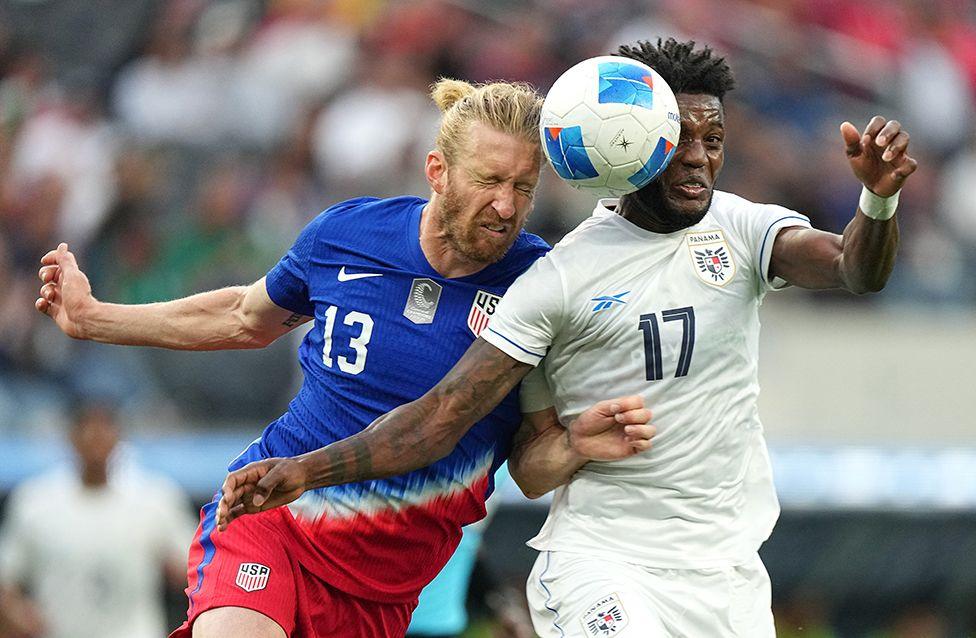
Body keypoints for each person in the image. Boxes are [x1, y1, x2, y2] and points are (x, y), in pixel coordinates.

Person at [216, 38, 918, 637]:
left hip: (725, 571)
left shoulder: (741, 229)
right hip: (605, 564)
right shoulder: (558, 280)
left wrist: (877, 200)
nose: (702, 158)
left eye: (716, 140)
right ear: (632, 145)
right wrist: (308, 469)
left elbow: (854, 269)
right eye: (681, 141)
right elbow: (453, 424)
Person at [34, 79, 654, 638]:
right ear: (437, 171)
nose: (506, 206)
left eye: (523, 187)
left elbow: (530, 467)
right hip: (274, 518)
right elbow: (243, 318)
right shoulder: (348, 234)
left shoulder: (541, 284)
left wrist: (573, 446)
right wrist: (95, 319)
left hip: (384, 593)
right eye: (489, 181)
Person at [0, 401, 195, 638]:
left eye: (104, 427)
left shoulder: (155, 499)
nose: (95, 437)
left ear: (118, 436)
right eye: (86, 427)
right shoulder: (34, 501)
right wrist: (17, 613)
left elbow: (194, 572)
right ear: (71, 437)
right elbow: (6, 580)